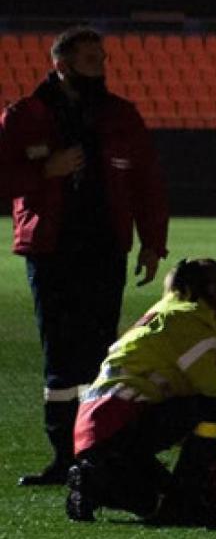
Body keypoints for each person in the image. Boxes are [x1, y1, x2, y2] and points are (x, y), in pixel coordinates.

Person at [0, 26, 169, 487]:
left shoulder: (120, 115)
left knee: (99, 350)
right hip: (51, 250)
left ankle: (95, 450)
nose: (101, 67)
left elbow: (147, 181)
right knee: (60, 353)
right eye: (91, 60)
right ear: (62, 65)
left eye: (102, 59)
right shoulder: (24, 116)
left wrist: (153, 241)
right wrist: (44, 170)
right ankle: (64, 456)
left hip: (104, 247)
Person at [65, 258, 216, 523]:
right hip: (118, 424)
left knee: (162, 503)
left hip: (102, 426)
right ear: (214, 290)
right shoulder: (184, 321)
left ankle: (96, 479)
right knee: (215, 409)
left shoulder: (166, 315)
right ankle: (99, 480)